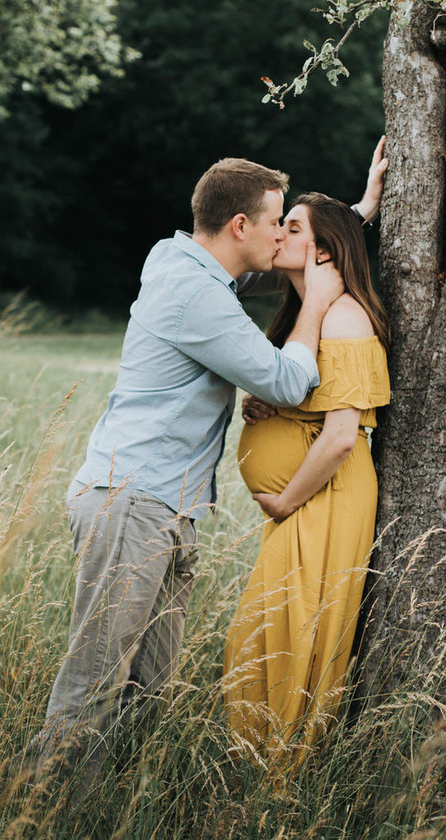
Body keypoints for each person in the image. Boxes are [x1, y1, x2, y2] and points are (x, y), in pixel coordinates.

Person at [31, 145, 387, 782]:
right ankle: (42, 802)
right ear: (241, 226)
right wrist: (315, 302)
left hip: (165, 507)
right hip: (131, 501)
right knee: (96, 678)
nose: (281, 235)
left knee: (148, 685)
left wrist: (354, 216)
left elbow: (272, 271)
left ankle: (110, 799)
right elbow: (287, 380)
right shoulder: (198, 298)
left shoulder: (182, 261)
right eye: (277, 222)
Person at [223, 191, 391, 759]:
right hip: (305, 500)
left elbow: (341, 436)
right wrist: (269, 405)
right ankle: (261, 761)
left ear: (323, 252)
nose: (278, 233)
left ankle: (286, 766)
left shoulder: (342, 318)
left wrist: (284, 501)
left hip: (320, 499)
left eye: (292, 228)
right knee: (272, 630)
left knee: (291, 632)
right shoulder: (306, 312)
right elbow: (309, 397)